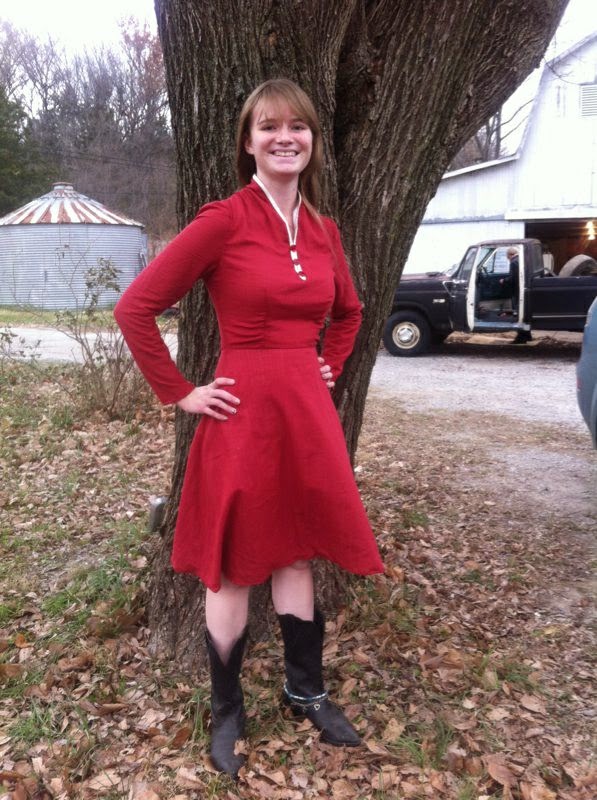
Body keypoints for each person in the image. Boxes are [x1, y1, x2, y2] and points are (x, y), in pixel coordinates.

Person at [114, 78, 384, 778]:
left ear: (312, 141)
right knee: (234, 565)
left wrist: (325, 366)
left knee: (297, 553)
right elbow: (135, 308)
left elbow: (350, 312)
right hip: (239, 417)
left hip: (305, 415)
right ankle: (227, 709)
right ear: (248, 142)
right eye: (269, 127)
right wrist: (180, 392)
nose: (284, 137)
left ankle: (305, 690)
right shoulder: (224, 221)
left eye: (297, 126)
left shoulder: (323, 231)